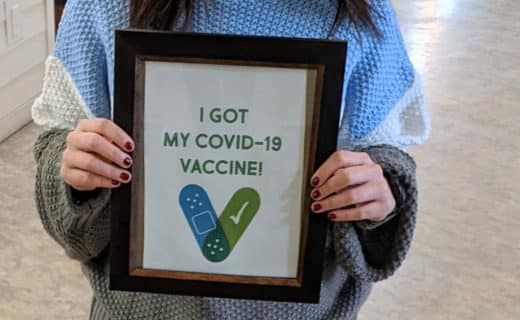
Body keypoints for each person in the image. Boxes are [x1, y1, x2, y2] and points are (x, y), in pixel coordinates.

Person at [31, 0, 430, 319]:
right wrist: (78, 169)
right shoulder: (104, 7)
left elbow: (385, 160)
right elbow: (60, 150)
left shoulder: (360, 14)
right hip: (143, 310)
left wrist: (375, 193)